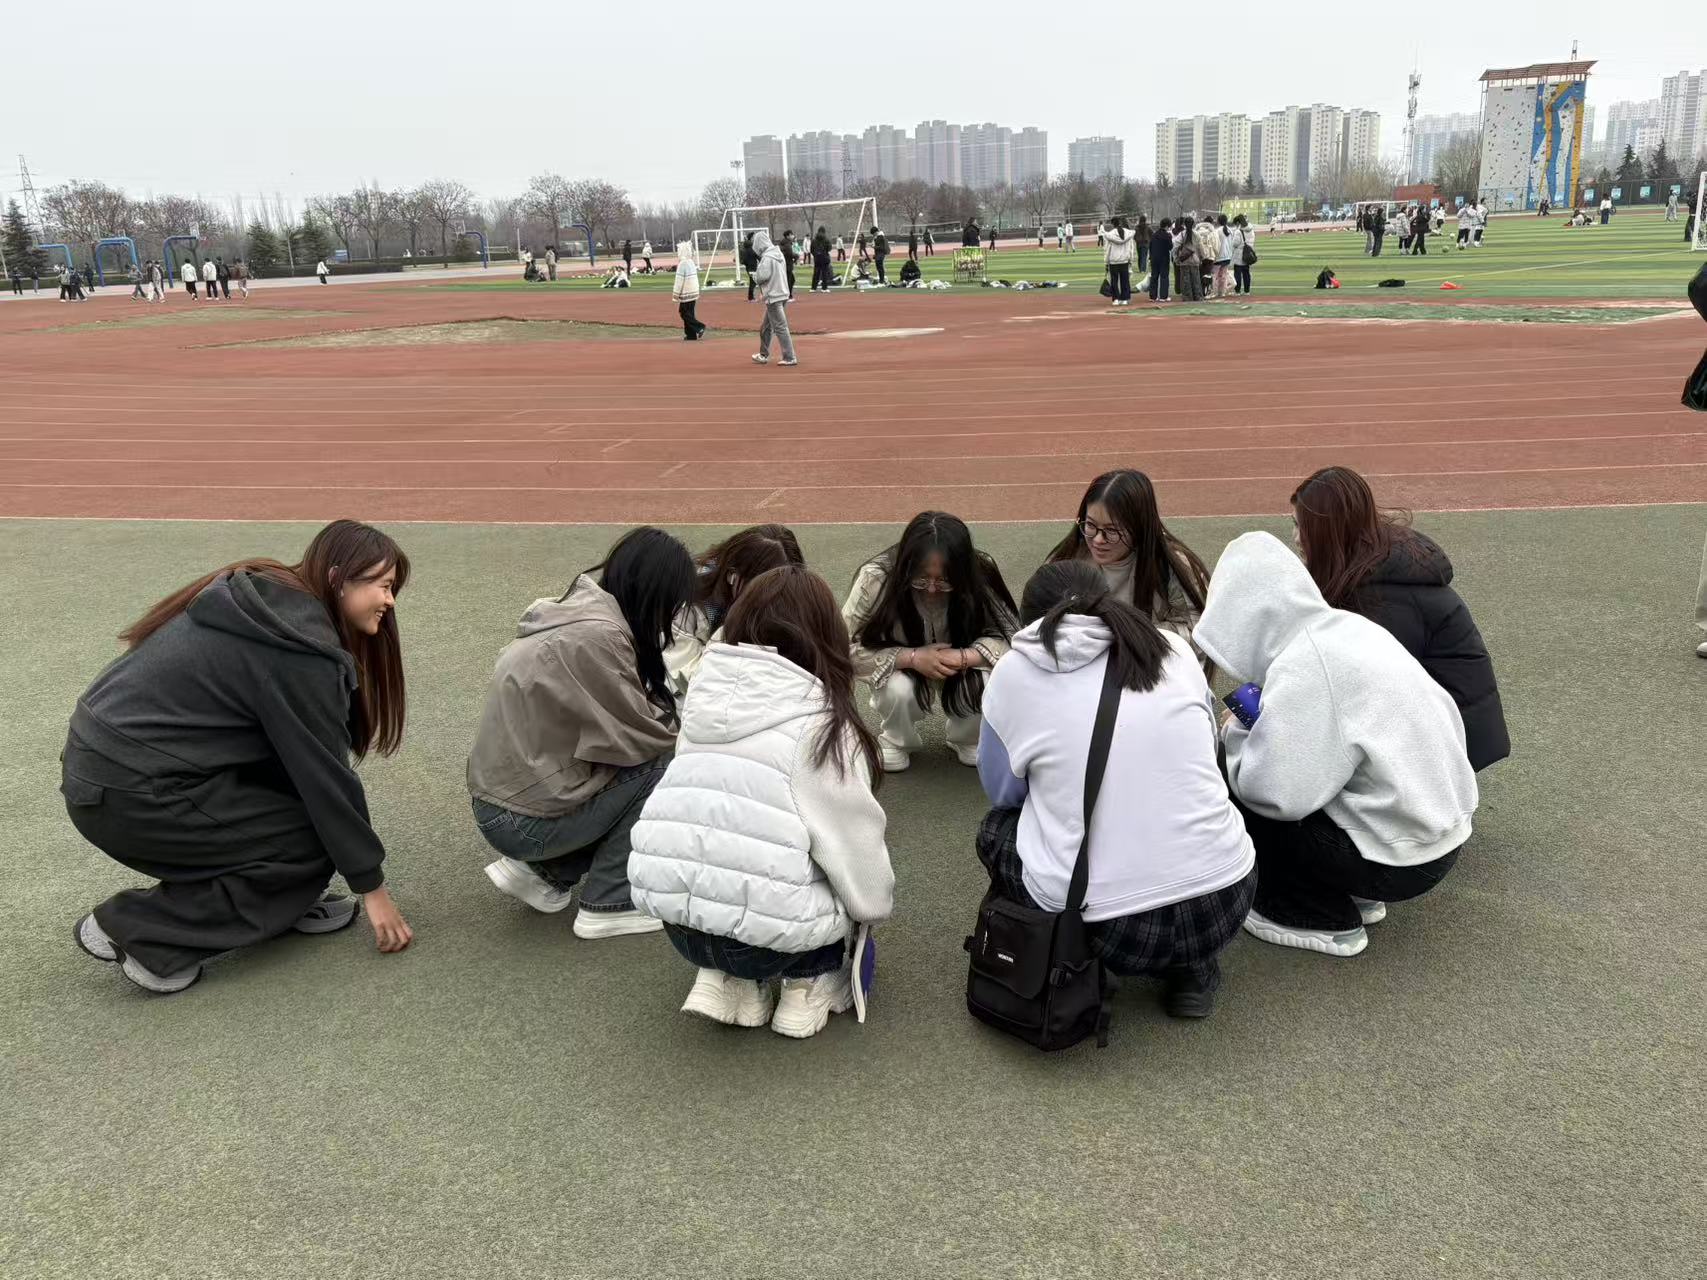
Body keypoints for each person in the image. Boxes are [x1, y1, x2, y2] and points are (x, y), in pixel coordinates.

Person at [64, 520, 414, 993]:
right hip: (131, 793)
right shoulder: (300, 647)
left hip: (104, 772)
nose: (390, 601)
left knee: (304, 825)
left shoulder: (266, 598)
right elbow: (325, 780)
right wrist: (372, 888)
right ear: (337, 579)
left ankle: (281, 906)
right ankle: (140, 931)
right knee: (309, 846)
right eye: (383, 586)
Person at [976, 560, 1256, 1017]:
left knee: (996, 829)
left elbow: (1003, 793)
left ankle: (1063, 959)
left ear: (1031, 623)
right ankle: (1194, 968)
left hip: (1110, 931)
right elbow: (1207, 749)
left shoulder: (1013, 673)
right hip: (1227, 899)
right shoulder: (1172, 648)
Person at [629, 566, 894, 1036]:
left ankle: (725, 978)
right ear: (825, 636)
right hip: (774, 940)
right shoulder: (822, 723)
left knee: (727, 833)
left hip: (679, 926)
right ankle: (807, 983)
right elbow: (855, 846)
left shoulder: (702, 698)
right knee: (829, 858)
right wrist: (872, 910)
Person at [1193, 532, 1478, 958]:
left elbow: (1274, 793)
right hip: (1438, 835)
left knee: (1233, 770)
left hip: (1399, 861)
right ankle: (1352, 884)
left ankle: (1309, 910)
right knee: (1297, 765)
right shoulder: (1347, 629)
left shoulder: (1304, 665)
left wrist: (1233, 733)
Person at [467, 527, 696, 940]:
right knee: (668, 760)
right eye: (673, 603)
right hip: (518, 818)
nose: (673, 616)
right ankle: (610, 902)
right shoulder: (599, 636)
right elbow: (642, 736)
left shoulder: (580, 613)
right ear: (655, 592)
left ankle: (546, 873)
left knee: (631, 765)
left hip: (505, 804)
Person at [1291, 466, 1509, 770]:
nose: (1296, 538)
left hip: (1451, 743)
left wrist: (1264, 711)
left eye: (1302, 526)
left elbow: (1352, 688)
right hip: (1434, 724)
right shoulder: (1365, 570)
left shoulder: (1386, 598)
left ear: (1329, 532)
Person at [843, 512, 1016, 772]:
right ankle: (896, 739)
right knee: (898, 689)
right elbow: (841, 646)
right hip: (901, 665)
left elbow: (1015, 640)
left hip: (963, 665)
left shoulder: (981, 574)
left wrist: (966, 657)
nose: (932, 589)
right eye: (921, 579)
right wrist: (909, 658)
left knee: (983, 680)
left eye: (945, 580)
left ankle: (968, 736)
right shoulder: (876, 578)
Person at [1046, 468, 1210, 653]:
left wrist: (1124, 635)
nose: (1098, 539)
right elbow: (1039, 618)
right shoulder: (1067, 559)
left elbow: (1199, 636)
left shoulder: (1173, 566)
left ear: (1139, 528)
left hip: (1151, 662)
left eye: (1112, 530)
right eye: (1090, 524)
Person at [665, 524, 806, 694]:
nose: (773, 599)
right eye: (765, 587)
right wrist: (732, 630)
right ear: (733, 576)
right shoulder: (687, 602)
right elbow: (689, 679)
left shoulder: (790, 597)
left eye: (783, 587)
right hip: (689, 695)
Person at [749, 229, 796, 366]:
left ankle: (789, 357)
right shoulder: (778, 254)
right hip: (782, 293)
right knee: (766, 327)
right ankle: (763, 354)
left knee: (780, 327)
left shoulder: (767, 258)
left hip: (773, 296)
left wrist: (754, 275)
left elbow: (762, 277)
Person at [671, 239, 706, 340]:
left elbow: (679, 281)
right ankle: (691, 334)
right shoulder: (691, 262)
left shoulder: (682, 264)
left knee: (684, 312)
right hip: (693, 291)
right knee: (690, 313)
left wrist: (675, 295)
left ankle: (699, 327)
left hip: (686, 292)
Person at [1100, 216, 1135, 306]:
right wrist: (1131, 260)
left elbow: (1107, 249)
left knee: (1114, 281)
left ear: (1112, 224)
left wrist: (1106, 261)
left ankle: (1115, 299)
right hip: (1124, 260)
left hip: (1113, 261)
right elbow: (1131, 248)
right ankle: (1125, 299)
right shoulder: (1128, 233)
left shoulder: (1110, 234)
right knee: (1125, 280)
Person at [1173, 221, 1204, 301]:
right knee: (1196, 280)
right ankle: (1198, 296)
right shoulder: (1197, 235)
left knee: (1185, 281)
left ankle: (1187, 297)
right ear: (1193, 224)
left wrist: (1176, 259)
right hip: (1195, 260)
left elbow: (1175, 247)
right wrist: (1201, 257)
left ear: (1184, 224)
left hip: (1184, 261)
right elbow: (1201, 248)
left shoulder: (1181, 235)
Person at [1148, 219, 1173, 302]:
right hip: (1164, 258)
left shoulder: (1154, 235)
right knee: (1164, 277)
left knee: (1154, 276)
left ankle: (1152, 296)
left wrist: (1150, 257)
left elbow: (1150, 246)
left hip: (1154, 258)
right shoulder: (1167, 235)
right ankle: (1163, 296)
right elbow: (1170, 247)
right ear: (1167, 226)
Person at [1210, 214, 1234, 298]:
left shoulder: (1217, 231)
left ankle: (1215, 292)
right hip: (1227, 256)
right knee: (1224, 275)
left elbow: (1214, 244)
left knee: (1215, 276)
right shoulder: (1230, 230)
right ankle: (1223, 292)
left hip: (1219, 256)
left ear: (1218, 221)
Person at [1228, 214, 1253, 295]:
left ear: (1238, 223)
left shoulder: (1238, 231)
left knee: (1238, 273)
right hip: (1248, 254)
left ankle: (1237, 291)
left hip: (1239, 255)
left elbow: (1235, 244)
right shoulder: (1251, 230)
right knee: (1246, 273)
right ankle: (1247, 291)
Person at [811, 225, 833, 291]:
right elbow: (829, 248)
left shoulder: (814, 240)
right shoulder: (826, 239)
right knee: (824, 274)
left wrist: (815, 255)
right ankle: (824, 288)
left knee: (816, 273)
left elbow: (811, 250)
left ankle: (813, 288)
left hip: (817, 258)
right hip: (825, 258)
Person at [779, 230, 798, 299]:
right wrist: (796, 256)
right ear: (788, 236)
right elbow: (789, 254)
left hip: (784, 264)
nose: (793, 236)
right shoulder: (787, 244)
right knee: (790, 280)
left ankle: (787, 295)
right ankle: (788, 296)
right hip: (787, 265)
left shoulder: (784, 243)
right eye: (791, 234)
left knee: (789, 280)